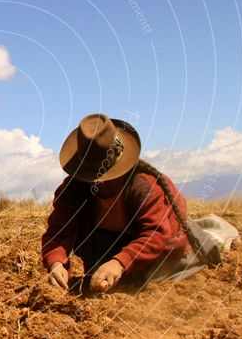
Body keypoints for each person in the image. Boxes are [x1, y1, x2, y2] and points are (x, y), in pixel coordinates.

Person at [42, 113, 218, 293]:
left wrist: (120, 262)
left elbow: (156, 234)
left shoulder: (143, 185)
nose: (98, 182)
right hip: (111, 246)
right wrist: (56, 263)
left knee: (153, 283)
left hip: (159, 252)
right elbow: (58, 229)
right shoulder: (75, 188)